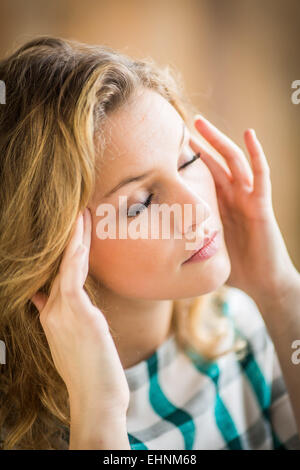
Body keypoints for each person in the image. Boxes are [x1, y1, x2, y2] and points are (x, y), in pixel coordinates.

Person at [0, 36, 300, 450]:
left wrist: (280, 290)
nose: (197, 209)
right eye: (141, 204)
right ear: (52, 250)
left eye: (188, 160)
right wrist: (99, 412)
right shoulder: (29, 434)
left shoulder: (239, 325)